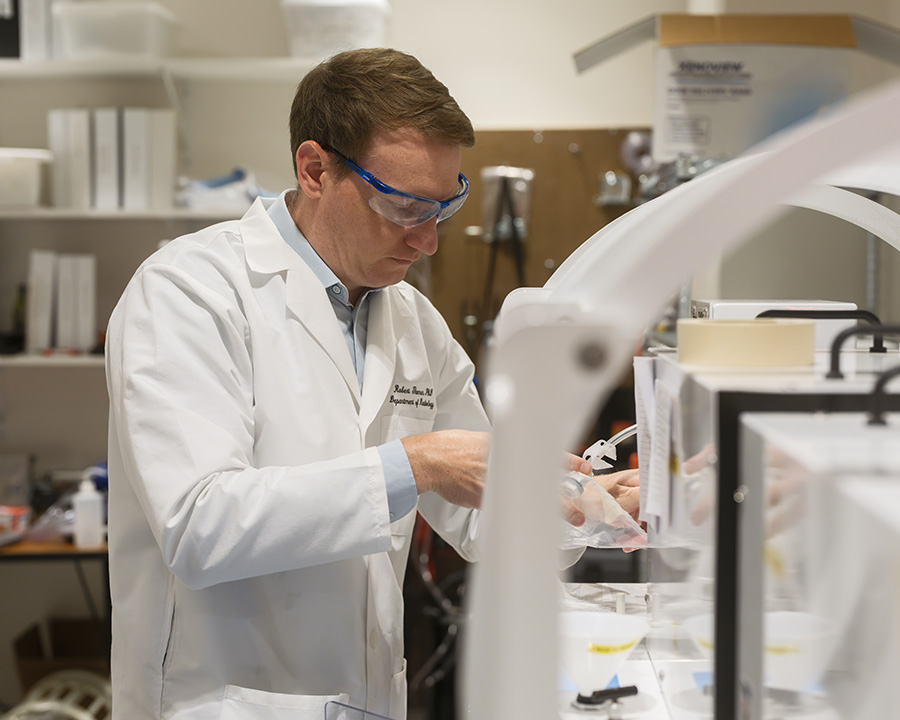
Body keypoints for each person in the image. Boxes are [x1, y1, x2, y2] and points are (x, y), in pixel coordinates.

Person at [105, 47, 635, 720]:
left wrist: (595, 508)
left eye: (444, 206)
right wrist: (414, 464)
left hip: (369, 699)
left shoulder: (411, 318)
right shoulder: (188, 292)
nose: (427, 241)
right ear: (315, 170)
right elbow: (198, 527)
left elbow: (481, 514)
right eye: (404, 206)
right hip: (222, 702)